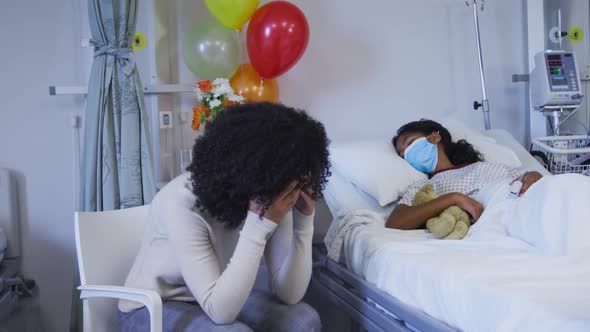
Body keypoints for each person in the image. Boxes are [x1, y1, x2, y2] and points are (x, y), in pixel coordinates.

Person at [118, 103, 330, 332]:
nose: (295, 186)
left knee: (303, 321)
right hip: (152, 308)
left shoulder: (275, 190)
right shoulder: (183, 201)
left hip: (218, 295)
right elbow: (220, 313)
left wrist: (304, 220)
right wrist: (259, 224)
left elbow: (289, 294)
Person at [386, 120, 543, 230]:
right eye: (402, 154)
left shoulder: (493, 166)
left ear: (434, 137)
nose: (406, 153)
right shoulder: (424, 188)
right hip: (502, 220)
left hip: (529, 207)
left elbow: (528, 183)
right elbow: (395, 222)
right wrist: (454, 198)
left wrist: (535, 176)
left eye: (409, 142)